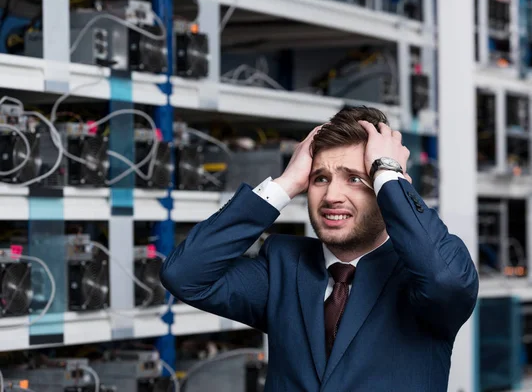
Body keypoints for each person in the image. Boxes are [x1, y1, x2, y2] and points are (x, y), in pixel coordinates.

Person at [160, 106, 479, 392]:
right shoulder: (285, 265)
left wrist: (388, 173)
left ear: (389, 186)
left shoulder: (422, 278)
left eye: (355, 179)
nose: (332, 196)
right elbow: (184, 274)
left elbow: (445, 280)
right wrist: (285, 183)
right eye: (320, 179)